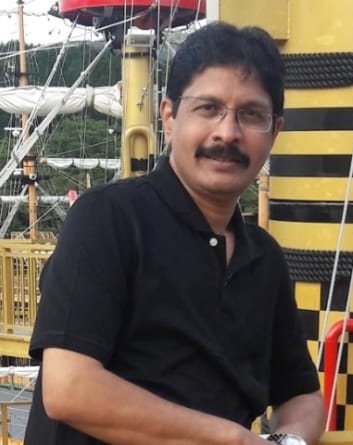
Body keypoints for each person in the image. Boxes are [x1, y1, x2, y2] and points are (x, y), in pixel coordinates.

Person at [24, 22, 325, 445]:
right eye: (208, 108)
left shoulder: (264, 259)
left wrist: (288, 441)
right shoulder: (108, 221)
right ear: (169, 117)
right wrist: (233, 439)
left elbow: (303, 396)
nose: (227, 132)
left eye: (251, 115)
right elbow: (69, 388)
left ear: (274, 132)